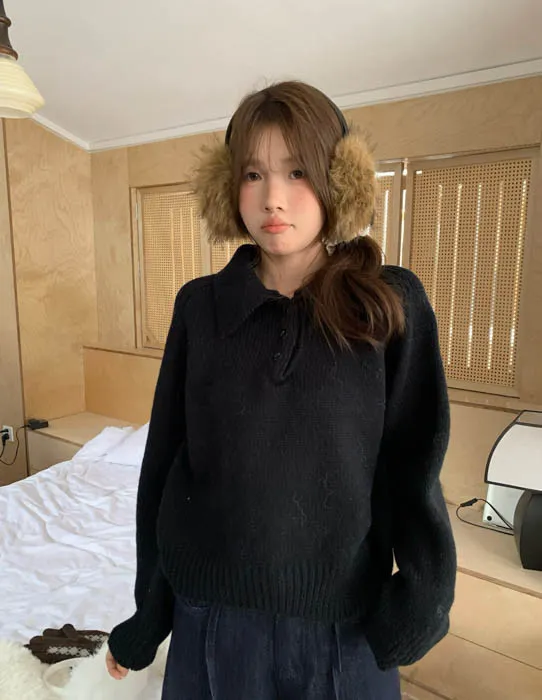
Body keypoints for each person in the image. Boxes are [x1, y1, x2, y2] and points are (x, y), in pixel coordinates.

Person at [106, 80, 456, 699]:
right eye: (252, 174)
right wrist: (149, 615)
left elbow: (414, 465)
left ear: (338, 180)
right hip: (212, 623)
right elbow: (164, 466)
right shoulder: (200, 308)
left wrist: (421, 602)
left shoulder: (390, 304)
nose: (273, 197)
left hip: (344, 627)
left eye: (298, 172)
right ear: (228, 186)